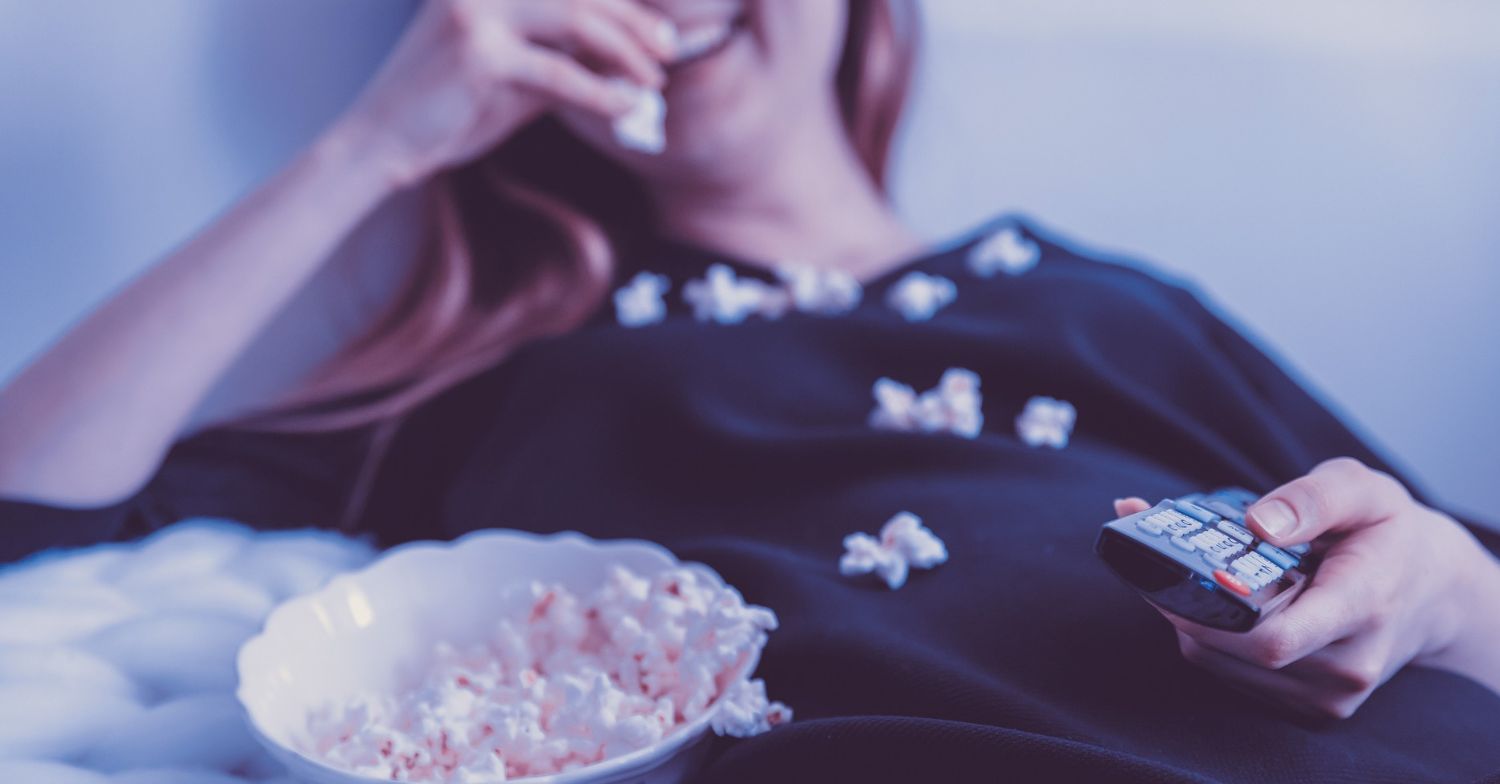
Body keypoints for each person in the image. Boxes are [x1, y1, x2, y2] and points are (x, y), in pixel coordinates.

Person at [1, 1, 1497, 780]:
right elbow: (31, 511)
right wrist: (378, 142)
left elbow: (1468, 591)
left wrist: (1442, 592)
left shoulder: (1107, 302)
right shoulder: (516, 380)